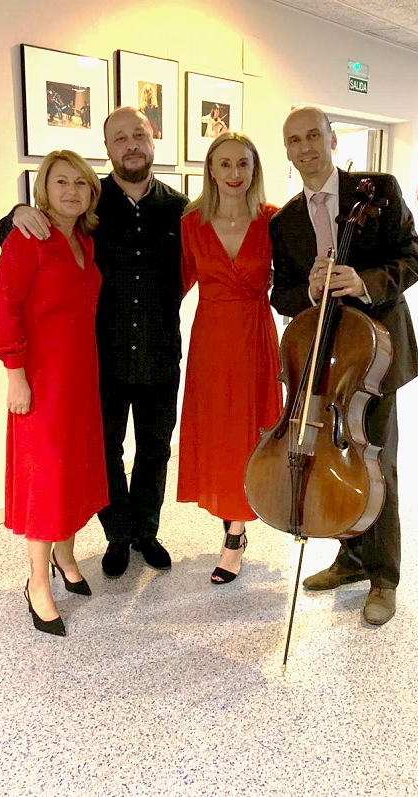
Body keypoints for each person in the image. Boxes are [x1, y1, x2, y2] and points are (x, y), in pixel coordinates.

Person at [0, 106, 188, 579]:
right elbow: (25, 236)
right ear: (107, 149)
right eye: (119, 138)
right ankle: (118, 535)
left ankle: (147, 530)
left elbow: (189, 272)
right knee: (106, 449)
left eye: (138, 135)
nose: (130, 145)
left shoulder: (180, 208)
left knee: (156, 448)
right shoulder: (90, 201)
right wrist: (16, 211)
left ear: (152, 140)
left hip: (162, 352)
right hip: (100, 359)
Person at [269, 106, 418, 626]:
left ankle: (384, 577)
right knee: (334, 459)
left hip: (374, 355)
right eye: (295, 140)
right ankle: (351, 559)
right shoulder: (285, 220)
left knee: (377, 464)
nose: (306, 147)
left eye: (314, 135)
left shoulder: (377, 190)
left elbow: (413, 258)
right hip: (325, 356)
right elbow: (283, 292)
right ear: (287, 151)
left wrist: (363, 282)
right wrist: (310, 290)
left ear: (331, 139)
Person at [0, 150, 107, 637]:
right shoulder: (27, 237)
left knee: (73, 469)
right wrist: (15, 374)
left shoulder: (84, 241)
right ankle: (38, 582)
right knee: (47, 476)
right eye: (61, 183)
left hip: (81, 375)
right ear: (44, 189)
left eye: (80, 183)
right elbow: (3, 307)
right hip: (42, 379)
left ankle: (65, 554)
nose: (71, 192)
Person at [178, 132, 281, 584]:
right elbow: (175, 283)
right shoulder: (191, 223)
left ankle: (235, 534)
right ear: (211, 170)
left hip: (256, 336)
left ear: (254, 168)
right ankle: (230, 515)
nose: (235, 174)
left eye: (243, 164)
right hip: (212, 340)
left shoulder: (274, 220)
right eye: (225, 165)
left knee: (251, 430)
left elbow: (301, 280)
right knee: (220, 433)